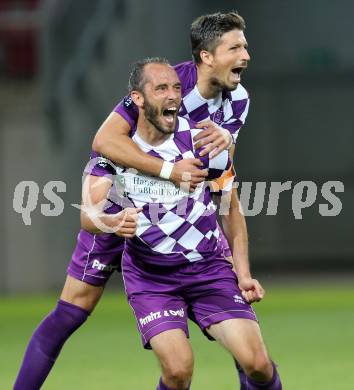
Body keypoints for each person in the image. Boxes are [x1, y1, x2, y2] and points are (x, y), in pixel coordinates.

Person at [13, 11, 266, 389]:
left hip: (180, 215)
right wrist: (166, 172)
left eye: (245, 46)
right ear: (207, 57)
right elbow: (104, 142)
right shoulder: (169, 81)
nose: (246, 56)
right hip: (125, 201)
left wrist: (220, 160)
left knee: (247, 348)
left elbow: (221, 175)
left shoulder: (238, 100)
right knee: (72, 310)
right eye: (236, 48)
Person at [98, 57, 281, 390]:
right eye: (161, 88)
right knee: (178, 372)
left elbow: (230, 207)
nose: (172, 96)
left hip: (209, 268)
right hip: (152, 278)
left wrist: (242, 273)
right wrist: (110, 221)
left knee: (257, 365)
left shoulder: (204, 141)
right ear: (137, 99)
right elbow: (89, 214)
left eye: (177, 88)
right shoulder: (117, 151)